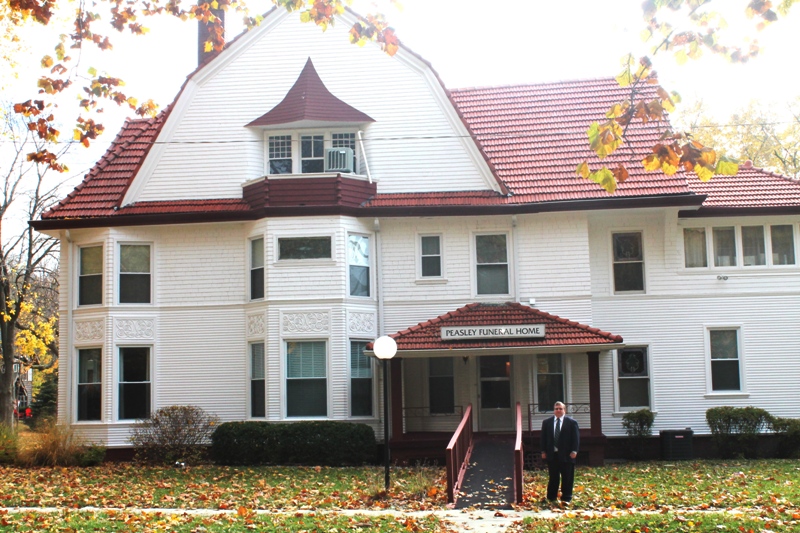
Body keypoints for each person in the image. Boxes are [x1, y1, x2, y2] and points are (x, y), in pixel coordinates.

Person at [540, 401, 580, 504]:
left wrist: (574, 450)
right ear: (554, 410)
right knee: (553, 477)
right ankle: (551, 497)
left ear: (564, 410)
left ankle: (566, 498)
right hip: (552, 454)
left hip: (567, 455)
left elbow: (576, 438)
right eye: (556, 409)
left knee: (567, 477)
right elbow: (543, 438)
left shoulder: (571, 423)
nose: (558, 410)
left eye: (560, 409)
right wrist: (543, 451)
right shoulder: (547, 422)